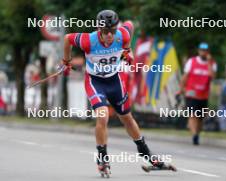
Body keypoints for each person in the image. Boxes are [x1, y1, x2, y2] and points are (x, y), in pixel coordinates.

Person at [62, 10, 167, 174]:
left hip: (114, 81)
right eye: (105, 31)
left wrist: (127, 48)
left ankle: (144, 150)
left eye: (112, 30)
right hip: (95, 81)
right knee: (103, 115)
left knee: (126, 117)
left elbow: (130, 25)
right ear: (99, 29)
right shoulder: (88, 40)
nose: (110, 35)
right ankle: (102, 157)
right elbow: (67, 39)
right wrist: (66, 61)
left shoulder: (122, 35)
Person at [180, 42, 217, 145]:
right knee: (192, 115)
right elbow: (185, 76)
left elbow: (212, 76)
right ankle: (194, 135)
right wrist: (182, 88)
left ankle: (197, 132)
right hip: (191, 93)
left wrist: (209, 62)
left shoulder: (212, 63)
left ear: (208, 52)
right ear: (199, 51)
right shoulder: (191, 61)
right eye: (201, 50)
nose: (203, 52)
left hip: (203, 95)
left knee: (200, 118)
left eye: (205, 51)